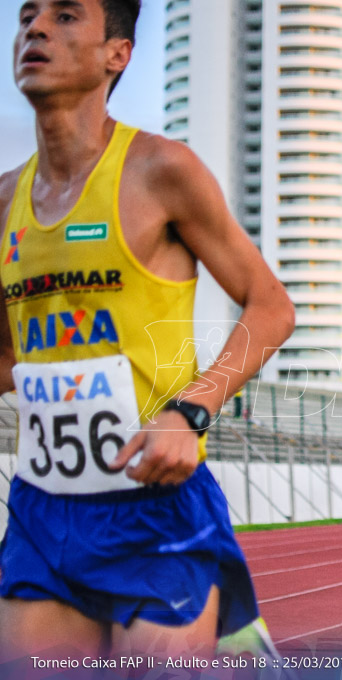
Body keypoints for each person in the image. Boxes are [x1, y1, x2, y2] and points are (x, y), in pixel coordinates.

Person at [0, 0, 295, 664]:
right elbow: (8, 357)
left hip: (154, 507)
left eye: (66, 15)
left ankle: (234, 634)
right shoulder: (4, 202)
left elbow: (270, 306)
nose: (35, 29)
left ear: (117, 53)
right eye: (26, 16)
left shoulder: (160, 170)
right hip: (43, 511)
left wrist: (191, 412)